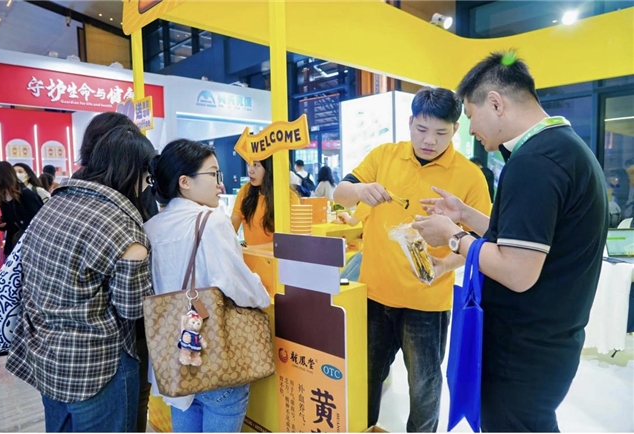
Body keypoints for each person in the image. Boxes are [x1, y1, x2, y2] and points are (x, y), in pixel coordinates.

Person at [412, 51, 608, 432]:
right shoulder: (564, 149)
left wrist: (453, 237)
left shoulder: (535, 162)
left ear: (496, 103)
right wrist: (465, 215)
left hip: (522, 350)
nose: (471, 130)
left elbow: (518, 271)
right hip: (546, 343)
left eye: (471, 116)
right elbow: (527, 242)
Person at [333, 86, 491, 432]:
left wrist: (445, 264)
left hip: (427, 303)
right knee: (366, 378)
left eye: (441, 133)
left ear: (456, 129)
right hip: (375, 295)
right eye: (421, 129)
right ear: (410, 123)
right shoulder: (384, 156)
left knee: (424, 388)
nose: (429, 140)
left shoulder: (469, 176)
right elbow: (340, 193)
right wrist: (360, 190)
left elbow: (482, 241)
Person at [6, 125, 156, 432]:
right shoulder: (122, 227)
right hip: (97, 367)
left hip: (46, 355)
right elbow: (132, 308)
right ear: (133, 172)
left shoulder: (55, 204)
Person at [145, 139, 270, 432]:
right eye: (213, 174)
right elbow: (240, 287)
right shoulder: (211, 222)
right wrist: (261, 293)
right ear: (185, 182)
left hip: (174, 362)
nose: (220, 183)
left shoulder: (151, 227)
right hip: (215, 357)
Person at [72, 111, 156, 432]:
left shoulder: (71, 191)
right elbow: (132, 302)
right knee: (129, 404)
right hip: (120, 332)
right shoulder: (122, 201)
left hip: (75, 337)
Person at [231, 157, 300, 245]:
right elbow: (233, 225)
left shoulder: (289, 198)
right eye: (249, 164)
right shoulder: (245, 191)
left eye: (256, 165)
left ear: (270, 168)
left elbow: (293, 240)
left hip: (275, 254)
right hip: (249, 253)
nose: (250, 170)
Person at [0, 161, 43, 260]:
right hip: (12, 246)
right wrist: (1, 224)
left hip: (28, 247)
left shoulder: (27, 195)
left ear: (1, 177)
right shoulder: (2, 195)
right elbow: (11, 220)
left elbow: (40, 220)